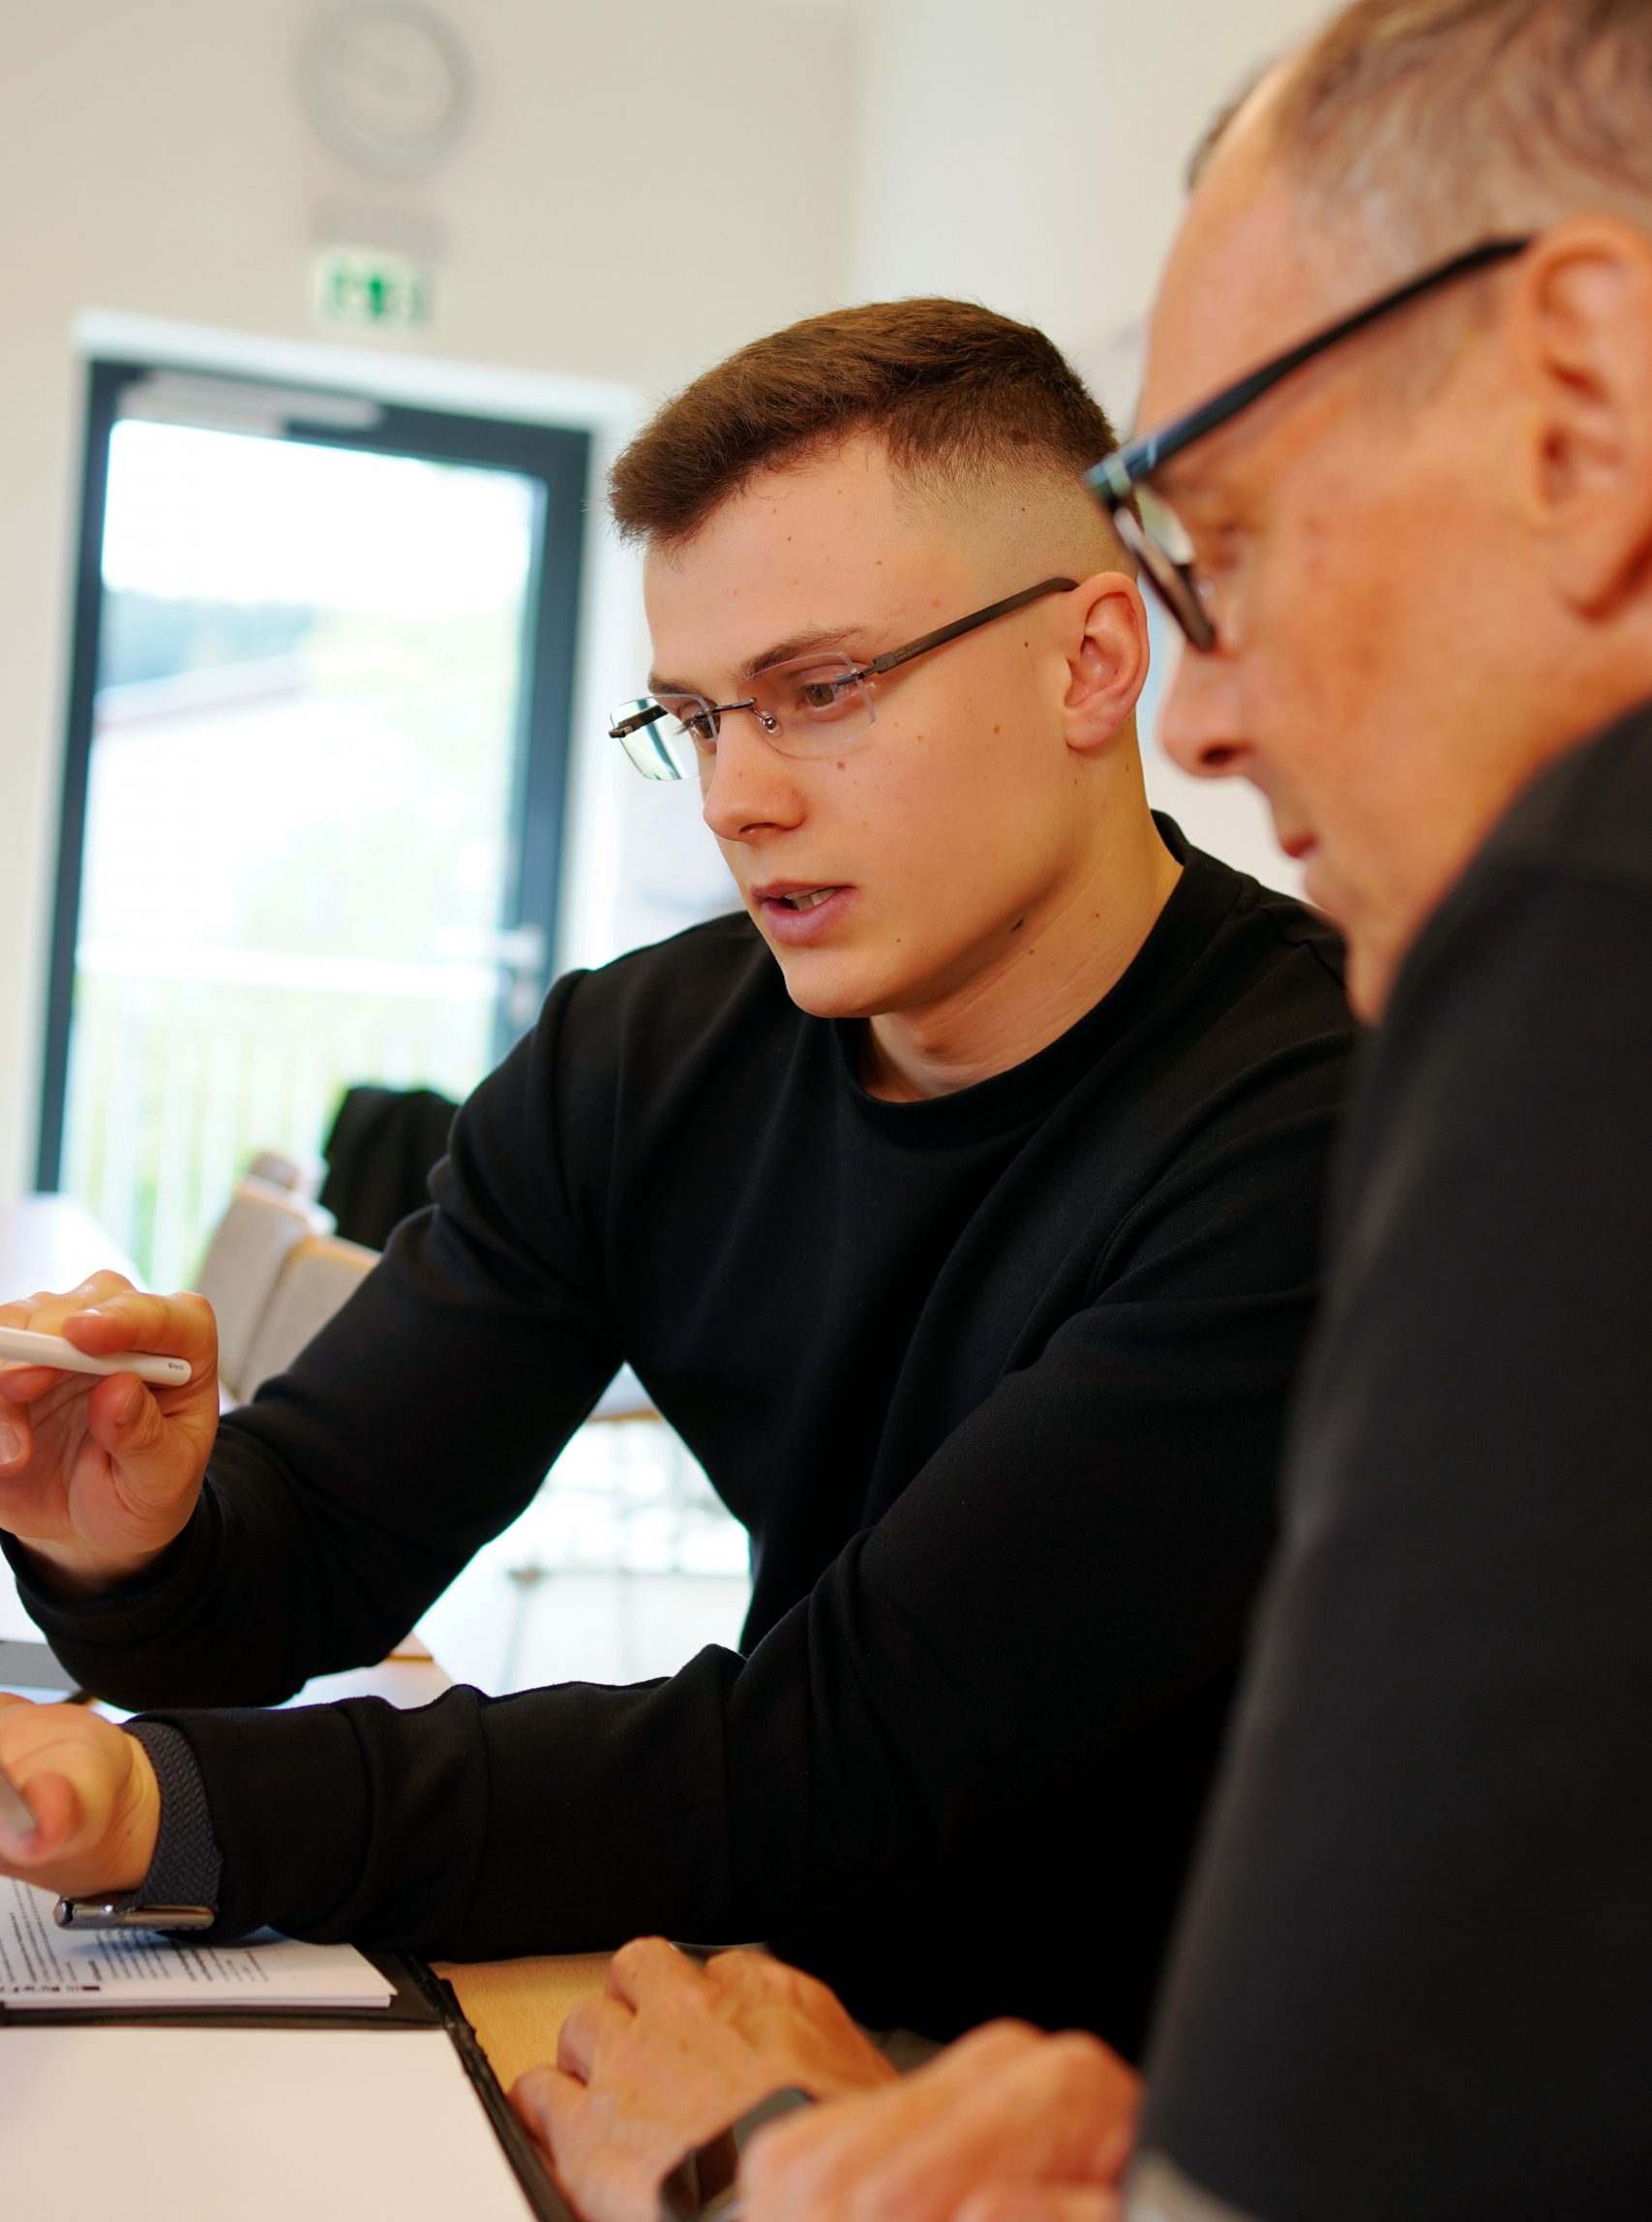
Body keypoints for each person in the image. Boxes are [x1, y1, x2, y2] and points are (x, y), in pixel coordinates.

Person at [508, 0, 1652, 2222]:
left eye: (1231, 528)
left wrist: (768, 2164)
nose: (1204, 718)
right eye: (702, 718)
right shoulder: (654, 1040)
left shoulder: (1566, 950)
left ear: (1582, 404)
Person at [0, 299, 1352, 2055]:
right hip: (779, 1996)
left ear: (1093, 661)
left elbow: (843, 1747)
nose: (734, 797)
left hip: (1160, 2091)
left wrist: (164, 1802)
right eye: (696, 718)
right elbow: (316, 1551)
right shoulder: (642, 1058)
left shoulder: (1317, 1120)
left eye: (821, 692)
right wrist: (133, 1545)